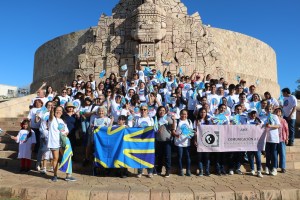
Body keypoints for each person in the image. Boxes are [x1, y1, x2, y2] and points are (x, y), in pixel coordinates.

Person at [48, 106, 76, 182]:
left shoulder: (63, 121)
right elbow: (51, 115)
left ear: (62, 112)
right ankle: (55, 175)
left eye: (60, 110)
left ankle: (68, 175)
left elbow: (66, 131)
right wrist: (52, 109)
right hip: (54, 142)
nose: (58, 111)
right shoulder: (52, 119)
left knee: (67, 156)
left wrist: (66, 133)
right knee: (55, 158)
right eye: (57, 110)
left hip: (63, 142)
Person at [135, 105, 154, 178]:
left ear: (147, 111)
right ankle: (140, 172)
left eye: (145, 109)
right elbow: (135, 129)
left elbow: (153, 129)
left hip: (149, 141)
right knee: (139, 156)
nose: (143, 111)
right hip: (140, 141)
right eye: (142, 109)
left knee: (149, 156)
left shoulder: (151, 119)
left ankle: (150, 172)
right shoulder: (137, 119)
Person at [155, 106, 175, 177]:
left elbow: (173, 126)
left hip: (167, 140)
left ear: (165, 112)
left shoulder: (167, 118)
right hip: (158, 140)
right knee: (159, 156)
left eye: (163, 110)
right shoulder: (156, 119)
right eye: (160, 110)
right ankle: (158, 170)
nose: (162, 112)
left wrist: (174, 120)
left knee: (167, 156)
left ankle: (167, 171)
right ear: (158, 111)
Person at [173, 109, 193, 176]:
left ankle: (188, 170)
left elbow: (191, 131)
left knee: (188, 157)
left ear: (187, 115)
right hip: (179, 143)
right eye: (182, 114)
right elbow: (173, 131)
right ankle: (180, 170)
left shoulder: (189, 121)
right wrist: (176, 135)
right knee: (180, 157)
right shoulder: (177, 121)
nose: (184, 115)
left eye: (185, 114)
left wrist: (191, 134)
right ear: (180, 114)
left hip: (187, 143)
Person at [262, 105, 280, 176]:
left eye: (270, 109)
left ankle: (274, 168)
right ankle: (267, 167)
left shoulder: (275, 116)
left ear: (272, 110)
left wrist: (271, 126)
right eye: (267, 109)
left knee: (274, 154)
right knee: (267, 154)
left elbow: (278, 125)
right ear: (265, 110)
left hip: (273, 138)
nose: (269, 110)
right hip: (266, 138)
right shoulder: (263, 117)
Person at [246, 108, 263, 178]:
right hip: (249, 141)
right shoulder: (246, 120)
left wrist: (259, 125)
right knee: (250, 156)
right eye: (252, 113)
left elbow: (262, 129)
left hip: (257, 142)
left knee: (258, 156)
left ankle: (259, 170)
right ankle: (252, 169)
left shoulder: (259, 120)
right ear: (249, 114)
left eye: (254, 113)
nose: (253, 115)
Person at [194, 108, 211, 176]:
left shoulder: (209, 121)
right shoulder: (196, 121)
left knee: (207, 157)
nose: (203, 113)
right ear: (199, 113)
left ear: (206, 113)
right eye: (201, 112)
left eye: (204, 112)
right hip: (199, 140)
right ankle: (201, 170)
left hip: (207, 141)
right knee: (200, 157)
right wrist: (195, 140)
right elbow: (195, 131)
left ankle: (207, 170)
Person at [274, 107, 289, 173]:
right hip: (274, 139)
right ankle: (275, 166)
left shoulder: (283, 120)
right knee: (275, 153)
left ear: (281, 113)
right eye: (276, 111)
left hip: (282, 139)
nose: (278, 112)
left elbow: (286, 130)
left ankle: (283, 167)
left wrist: (287, 138)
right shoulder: (272, 120)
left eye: (279, 111)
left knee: (282, 154)